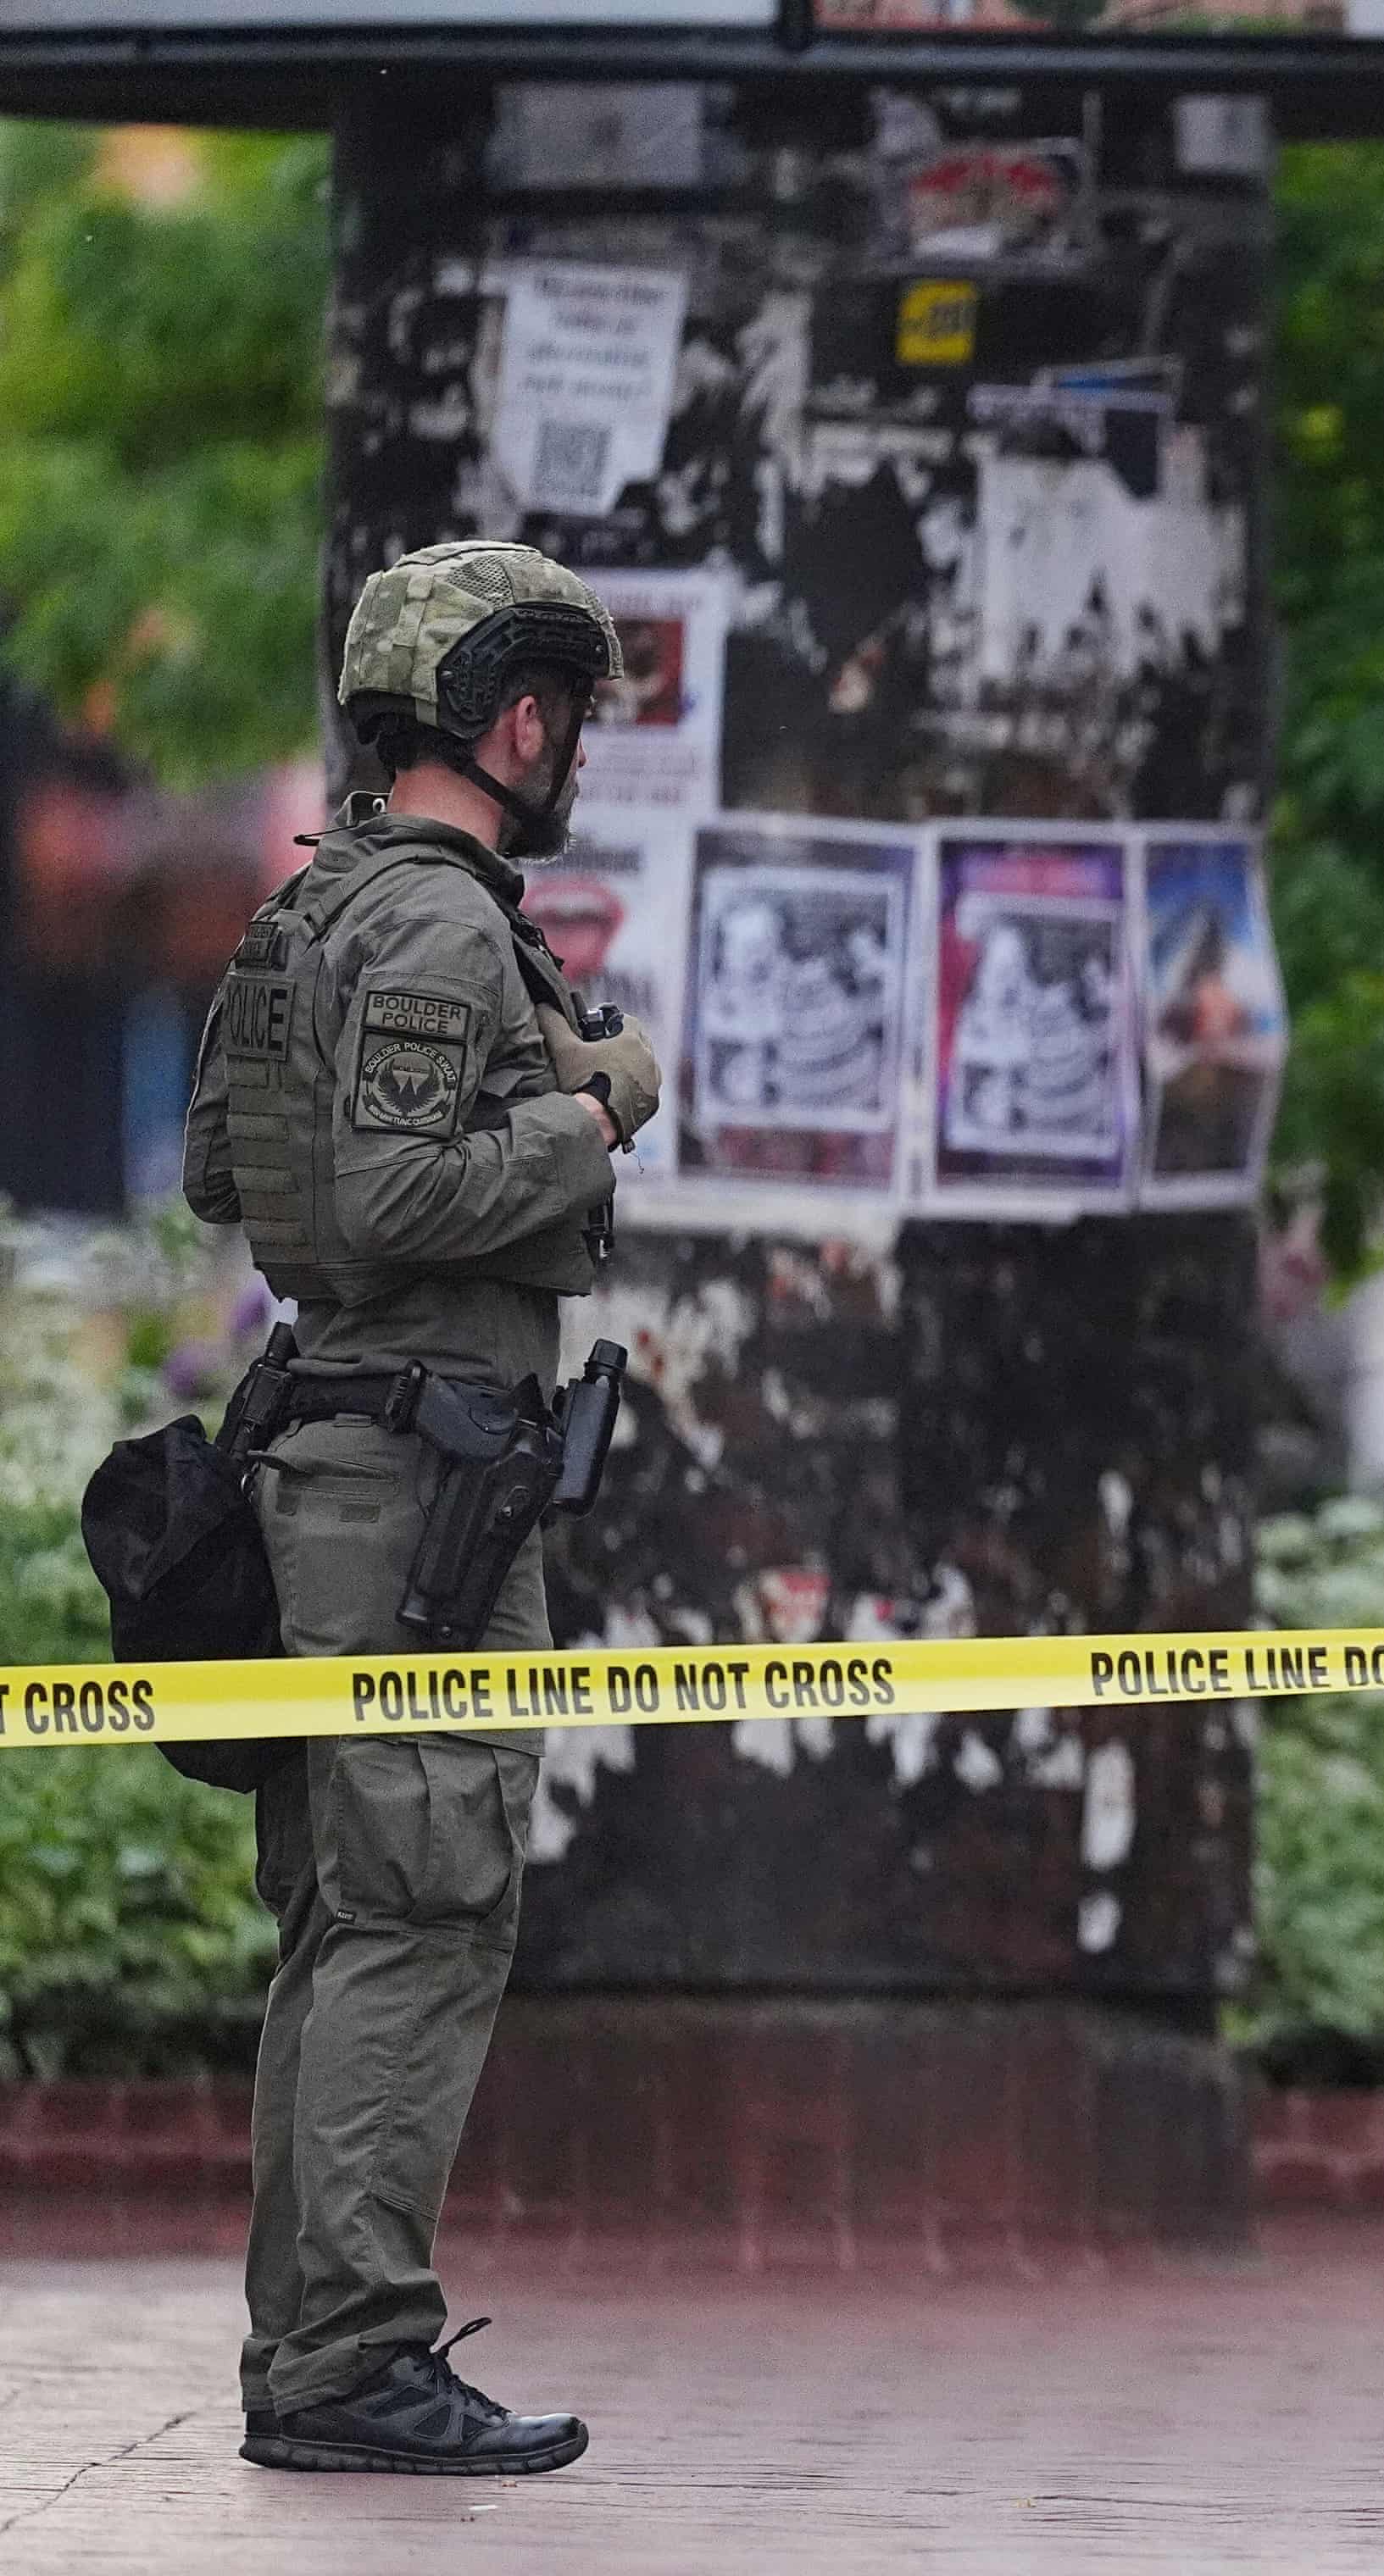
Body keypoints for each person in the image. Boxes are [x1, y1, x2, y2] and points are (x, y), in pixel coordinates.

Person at [181, 539, 659, 2476]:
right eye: (568, 723)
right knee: (424, 1909)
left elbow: (231, 1169)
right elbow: (391, 1203)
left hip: (330, 1460)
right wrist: (593, 1104)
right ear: (514, 716)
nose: (574, 759)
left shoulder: (317, 912)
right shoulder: (449, 930)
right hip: (413, 1494)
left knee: (349, 1918)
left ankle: (314, 2350)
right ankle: (352, 2355)